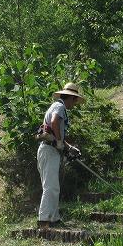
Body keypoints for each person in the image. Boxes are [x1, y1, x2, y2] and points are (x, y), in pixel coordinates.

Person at [36, 82, 84, 228]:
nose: (74, 104)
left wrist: (68, 147)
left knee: (52, 186)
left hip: (47, 150)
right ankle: (44, 221)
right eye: (75, 101)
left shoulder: (55, 105)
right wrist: (58, 142)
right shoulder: (60, 107)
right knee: (51, 186)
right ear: (71, 98)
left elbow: (54, 130)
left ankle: (54, 218)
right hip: (49, 151)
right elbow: (54, 121)